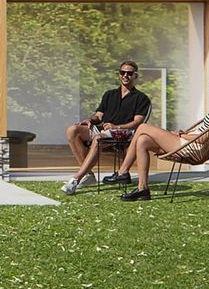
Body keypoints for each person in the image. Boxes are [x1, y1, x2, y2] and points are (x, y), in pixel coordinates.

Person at [119, 73, 209, 201]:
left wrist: (182, 135)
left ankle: (122, 172)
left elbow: (203, 138)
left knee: (143, 127)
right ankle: (143, 189)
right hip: (191, 143)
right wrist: (184, 133)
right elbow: (202, 131)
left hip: (194, 147)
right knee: (143, 140)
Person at [60, 63, 151, 194]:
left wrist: (117, 126)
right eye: (122, 72)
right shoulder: (109, 94)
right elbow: (99, 115)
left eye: (129, 73)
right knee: (72, 130)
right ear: (119, 74)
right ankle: (89, 175)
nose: (125, 75)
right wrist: (90, 120)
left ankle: (76, 179)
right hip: (104, 129)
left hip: (123, 133)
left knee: (98, 138)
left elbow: (138, 122)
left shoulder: (141, 98)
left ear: (135, 76)